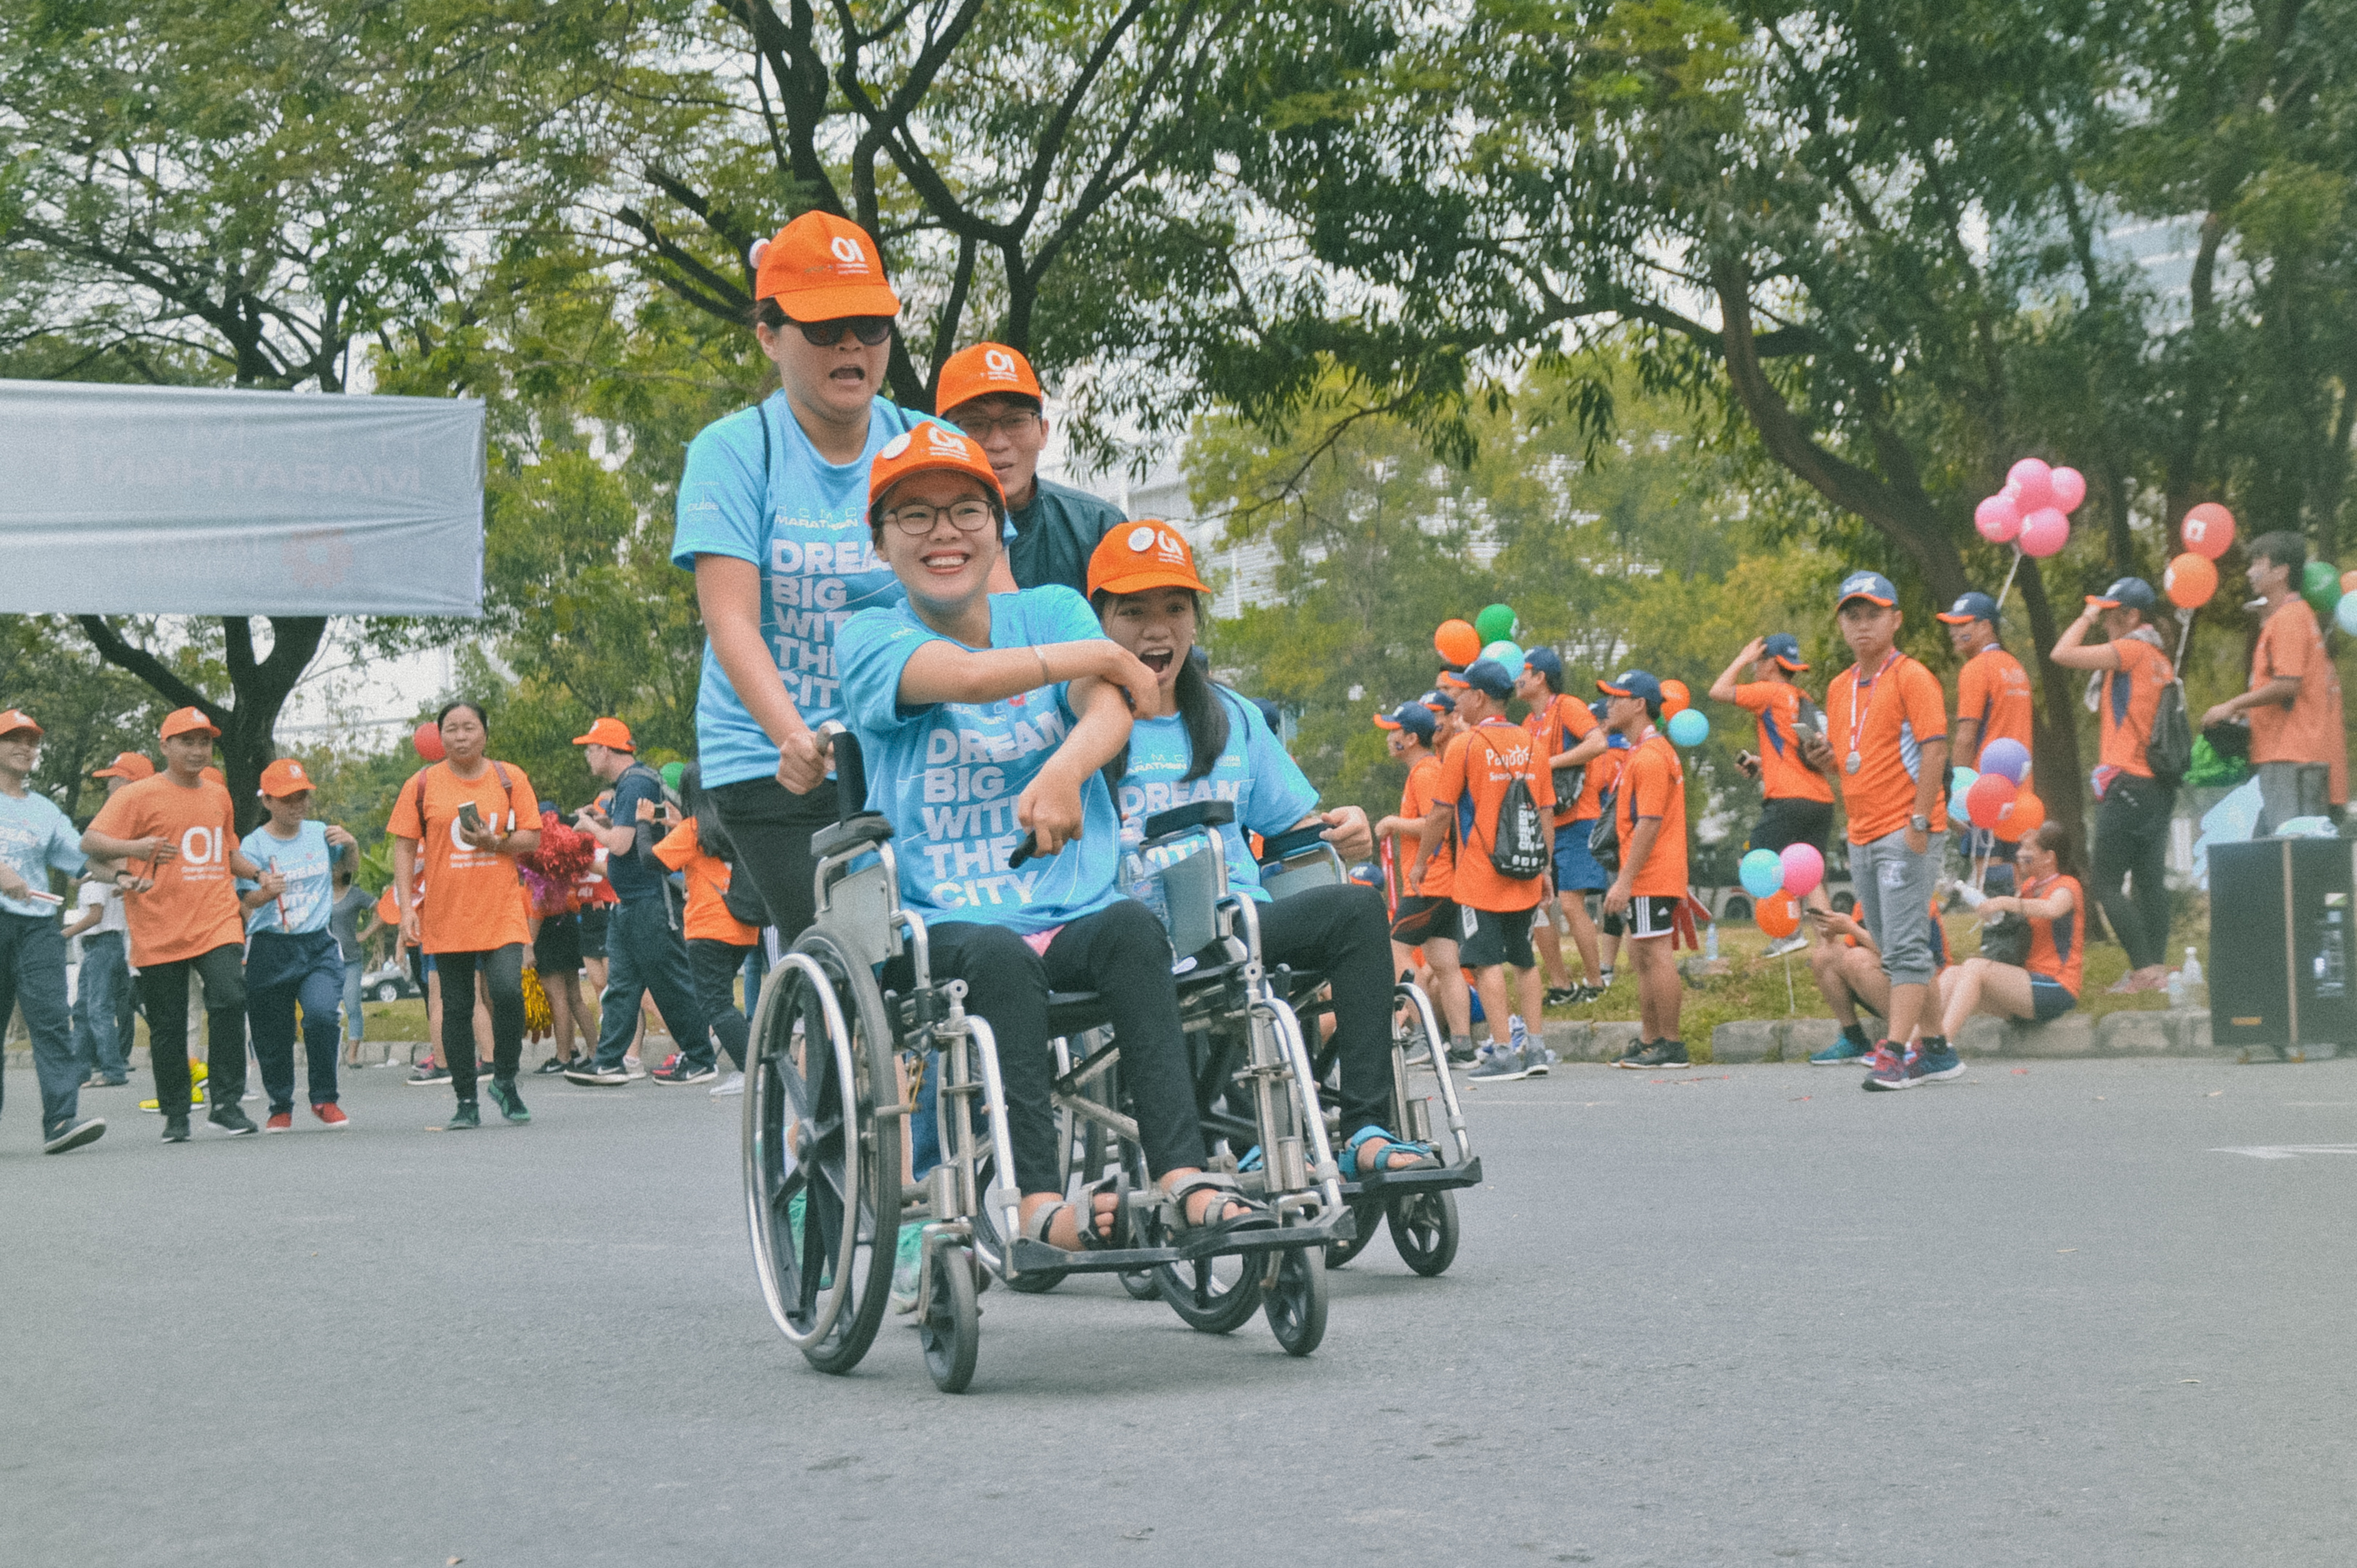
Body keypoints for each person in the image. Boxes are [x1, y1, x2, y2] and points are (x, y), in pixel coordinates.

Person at [836, 421, 1267, 1250]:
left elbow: (1109, 708)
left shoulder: (1053, 609)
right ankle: (1037, 1203)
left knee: (1134, 930)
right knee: (1000, 958)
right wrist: (1091, 658)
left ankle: (1181, 1175)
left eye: (966, 511)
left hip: (1070, 907)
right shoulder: (868, 634)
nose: (943, 533)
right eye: (914, 516)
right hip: (944, 918)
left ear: (997, 528)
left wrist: (1066, 769)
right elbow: (964, 675)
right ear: (881, 542)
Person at [1092, 526, 1432, 1179]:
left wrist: (1345, 827)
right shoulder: (1080, 719)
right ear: (1099, 621)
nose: (1156, 629)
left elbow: (1295, 826)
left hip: (1237, 923)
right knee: (1194, 960)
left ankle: (1365, 1128)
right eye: (1132, 612)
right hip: (1133, 935)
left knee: (1357, 910)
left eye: (1174, 608)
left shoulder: (1232, 715)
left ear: (1194, 620)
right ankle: (1242, 1135)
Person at [673, 210, 964, 962]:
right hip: (771, 760)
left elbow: (987, 607)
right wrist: (793, 738)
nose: (851, 345)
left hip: (905, 744)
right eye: (825, 326)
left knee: (954, 948)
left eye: (870, 325)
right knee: (854, 956)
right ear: (769, 336)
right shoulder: (733, 451)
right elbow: (731, 622)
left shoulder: (931, 446)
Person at [82, 707, 261, 1142]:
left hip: (216, 918)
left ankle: (226, 1103)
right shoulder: (138, 795)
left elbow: (227, 853)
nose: (198, 751)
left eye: (205, 742)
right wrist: (136, 849)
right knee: (168, 1025)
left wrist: (259, 875)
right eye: (188, 742)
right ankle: (176, 1113)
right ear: (165, 746)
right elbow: (90, 842)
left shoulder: (218, 794)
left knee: (229, 998)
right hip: (158, 923)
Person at [1810, 571, 1954, 1089]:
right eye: (1852, 615)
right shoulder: (1838, 687)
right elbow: (1852, 759)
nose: (1862, 625)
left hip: (1905, 827)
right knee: (1892, 946)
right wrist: (1827, 761)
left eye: (1873, 614)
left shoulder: (1912, 676)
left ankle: (1894, 1052)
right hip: (1862, 831)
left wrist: (1919, 821)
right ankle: (1936, 1050)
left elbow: (1934, 750)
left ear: (1895, 620)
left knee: (1905, 945)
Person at [386, 701, 541, 1129]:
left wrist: (496, 843)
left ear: (485, 733)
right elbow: (404, 846)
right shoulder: (422, 784)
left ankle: (504, 1079)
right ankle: (465, 1100)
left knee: (508, 994)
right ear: (441, 737)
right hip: (446, 913)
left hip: (501, 910)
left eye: (469, 727)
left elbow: (531, 838)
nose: (460, 736)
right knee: (456, 1007)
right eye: (451, 729)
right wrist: (406, 909)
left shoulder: (509, 778)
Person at [1421, 658, 1557, 1082]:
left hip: (1481, 874)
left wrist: (1423, 861)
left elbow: (1441, 813)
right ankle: (1536, 1047)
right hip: (1525, 872)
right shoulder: (1533, 743)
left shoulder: (1465, 745)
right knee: (1524, 960)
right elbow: (1546, 812)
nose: (1456, 701)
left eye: (1461, 693)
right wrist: (1544, 869)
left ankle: (1503, 1051)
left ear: (1479, 697)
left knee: (1485, 963)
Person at [563, 718, 710, 1086]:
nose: (587, 756)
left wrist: (588, 826)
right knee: (621, 987)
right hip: (629, 902)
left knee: (669, 984)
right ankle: (608, 1061)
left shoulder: (634, 784)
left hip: (649, 901)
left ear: (606, 750)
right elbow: (625, 833)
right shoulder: (631, 784)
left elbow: (620, 844)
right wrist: (605, 819)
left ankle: (701, 1058)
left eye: (590, 749)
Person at [2050, 577, 2175, 994]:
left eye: (2110, 615)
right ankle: (2156, 970)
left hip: (2125, 781)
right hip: (2156, 786)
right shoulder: (2160, 658)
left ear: (2132, 616)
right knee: (2149, 882)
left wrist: (2086, 616)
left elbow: (2061, 653)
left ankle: (2143, 971)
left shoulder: (2131, 651)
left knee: (2105, 883)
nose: (2104, 623)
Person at [0, 710, 110, 1154]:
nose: (25, 748)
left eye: (31, 742)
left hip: (36, 928)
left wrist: (124, 873)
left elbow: (82, 859)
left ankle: (62, 1120)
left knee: (51, 1019)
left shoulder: (45, 810)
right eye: (14, 739)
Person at [936, 341, 1125, 595]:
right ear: (942, 436)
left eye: (1015, 421)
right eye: (975, 423)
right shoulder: (915, 531)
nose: (998, 443)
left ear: (1043, 432)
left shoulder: (1098, 528)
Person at [235, 759, 360, 1130]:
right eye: (287, 798)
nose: (297, 805)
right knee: (273, 1032)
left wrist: (351, 846)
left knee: (321, 1015)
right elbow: (246, 901)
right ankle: (280, 1104)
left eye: (302, 796)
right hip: (270, 946)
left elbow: (345, 873)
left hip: (317, 944)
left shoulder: (321, 834)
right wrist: (266, 892)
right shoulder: (254, 845)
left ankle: (324, 1098)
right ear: (267, 801)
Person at [2202, 532, 2348, 835]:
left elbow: (2288, 684)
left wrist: (2231, 705)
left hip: (2289, 756)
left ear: (2281, 572)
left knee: (2292, 850)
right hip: (2289, 754)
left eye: (2259, 563)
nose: (2250, 572)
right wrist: (2247, 712)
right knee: (2284, 849)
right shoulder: (2295, 616)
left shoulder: (2289, 618)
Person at [1708, 632, 1833, 953]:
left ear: (1772, 664)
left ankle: (1788, 934)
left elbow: (1718, 691)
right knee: (1810, 876)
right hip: (1820, 800)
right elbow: (1797, 755)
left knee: (1756, 862)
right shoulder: (1803, 698)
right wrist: (1762, 764)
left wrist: (1741, 658)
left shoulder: (1769, 692)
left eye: (1758, 662)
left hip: (1787, 800)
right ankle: (1829, 947)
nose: (1754, 668)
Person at [1595, 673, 1691, 1069]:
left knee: (1655, 953)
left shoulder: (1650, 756)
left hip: (1651, 872)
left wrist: (1626, 879)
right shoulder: (1645, 751)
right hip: (1649, 872)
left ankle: (1671, 1043)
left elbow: (1649, 822)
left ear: (1639, 705)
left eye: (1617, 698)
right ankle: (1652, 1039)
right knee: (1641, 954)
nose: (1609, 705)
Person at [1374, 700, 1475, 1059]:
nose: (1389, 738)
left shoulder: (1426, 771)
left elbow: (1437, 821)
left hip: (1429, 882)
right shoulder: (1425, 770)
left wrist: (1392, 822)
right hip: (1438, 883)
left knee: (1395, 950)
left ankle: (1422, 1034)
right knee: (1445, 963)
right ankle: (1461, 1045)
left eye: (1394, 732)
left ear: (1411, 738)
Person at [654, 765, 759, 1097]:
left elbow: (650, 862)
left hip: (707, 928)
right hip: (743, 926)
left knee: (716, 1005)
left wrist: (643, 825)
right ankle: (753, 1067)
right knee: (723, 1002)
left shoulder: (693, 829)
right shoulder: (736, 824)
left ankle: (753, 1071)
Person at [1519, 646, 1610, 1001]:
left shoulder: (1568, 706)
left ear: (1541, 677)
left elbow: (1598, 743)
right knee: (1539, 904)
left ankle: (1596, 983)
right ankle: (1561, 985)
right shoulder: (1528, 723)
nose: (1517, 678)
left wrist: (1552, 763)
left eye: (1523, 671)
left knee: (1571, 905)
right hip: (1545, 823)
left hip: (1578, 819)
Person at [1935, 822, 2084, 1040]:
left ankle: (1941, 1046)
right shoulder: (2029, 886)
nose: (2019, 854)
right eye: (2020, 847)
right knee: (1952, 974)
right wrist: (1990, 912)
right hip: (2023, 990)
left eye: (2027, 848)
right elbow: (2012, 924)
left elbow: (2051, 909)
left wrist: (2005, 902)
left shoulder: (2067, 886)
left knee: (1975, 967)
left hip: (2056, 988)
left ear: (2048, 857)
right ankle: (1911, 1043)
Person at [1936, 590, 2035, 890]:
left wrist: (1957, 796)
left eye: (1963, 624)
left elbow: (1966, 739)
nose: (1954, 632)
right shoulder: (2016, 668)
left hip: (1984, 794)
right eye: (1952, 625)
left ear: (1986, 626)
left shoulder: (1976, 668)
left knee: (1988, 884)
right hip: (2021, 794)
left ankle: (1998, 923)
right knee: (2016, 883)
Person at [73, 753, 150, 1087]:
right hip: (114, 942)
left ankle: (111, 1069)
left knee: (97, 1008)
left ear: (130, 784)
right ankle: (83, 1069)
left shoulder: (130, 835)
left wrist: (64, 933)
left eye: (114, 779)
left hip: (107, 942)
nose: (109, 787)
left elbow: (96, 912)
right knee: (89, 1007)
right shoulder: (119, 842)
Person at [1806, 898, 1951, 1064]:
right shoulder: (1864, 903)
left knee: (1857, 959)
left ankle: (1904, 1042)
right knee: (1826, 955)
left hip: (1926, 990)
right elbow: (1850, 952)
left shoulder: (1914, 897)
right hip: (1888, 981)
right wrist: (1833, 931)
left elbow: (1911, 957)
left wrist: (1851, 928)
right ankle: (1854, 1039)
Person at [328, 861, 373, 1065]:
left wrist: (366, 933)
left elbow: (381, 909)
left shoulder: (355, 894)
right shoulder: (321, 893)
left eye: (336, 867)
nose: (332, 870)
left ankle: (352, 1056)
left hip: (351, 960)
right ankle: (330, 1054)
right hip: (327, 961)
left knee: (353, 1006)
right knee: (326, 1010)